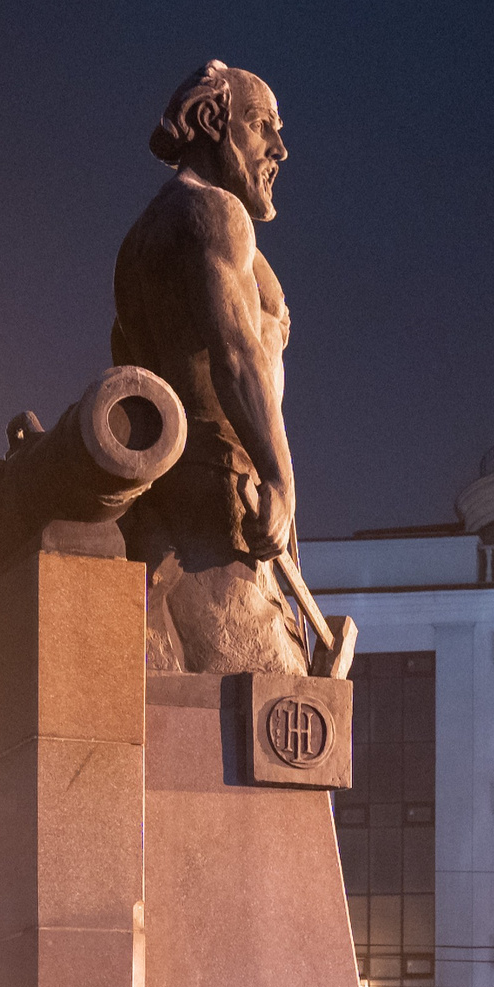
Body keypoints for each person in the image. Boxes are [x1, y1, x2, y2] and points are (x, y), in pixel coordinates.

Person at [112, 62, 310, 674]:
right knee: (279, 698)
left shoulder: (144, 236)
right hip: (220, 502)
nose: (279, 148)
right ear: (210, 123)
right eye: (261, 126)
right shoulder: (214, 214)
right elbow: (236, 355)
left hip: (187, 500)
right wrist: (280, 477)